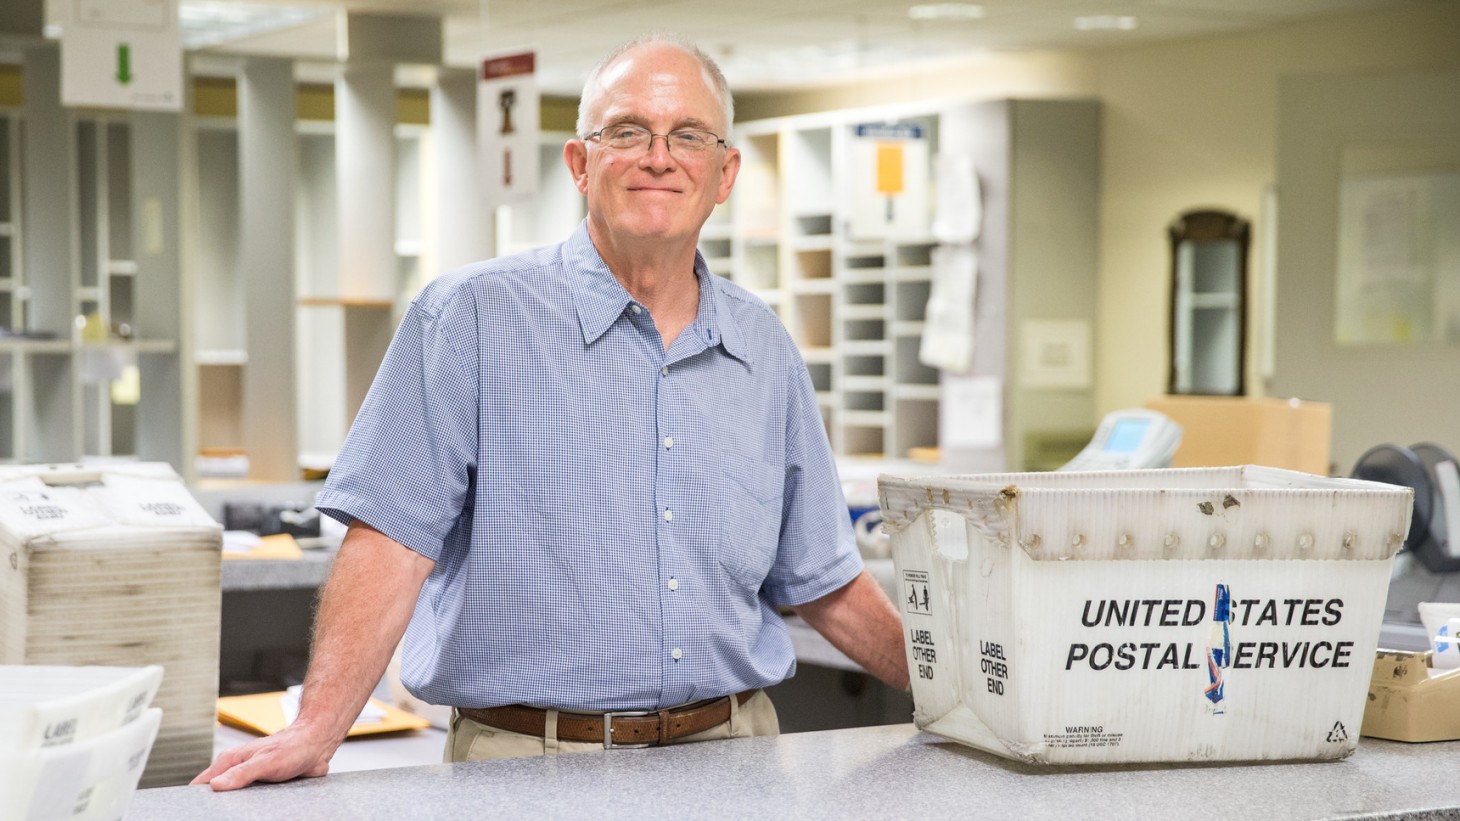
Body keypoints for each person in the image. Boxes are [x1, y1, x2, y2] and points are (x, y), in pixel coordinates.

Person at [194, 34, 907, 791]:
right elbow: (392, 542)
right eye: (628, 131)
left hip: (738, 755)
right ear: (580, 163)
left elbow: (822, 577)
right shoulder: (468, 317)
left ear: (724, 172)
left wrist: (962, 697)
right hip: (528, 765)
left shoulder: (764, 345)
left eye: (688, 135)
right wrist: (316, 727)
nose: (659, 156)